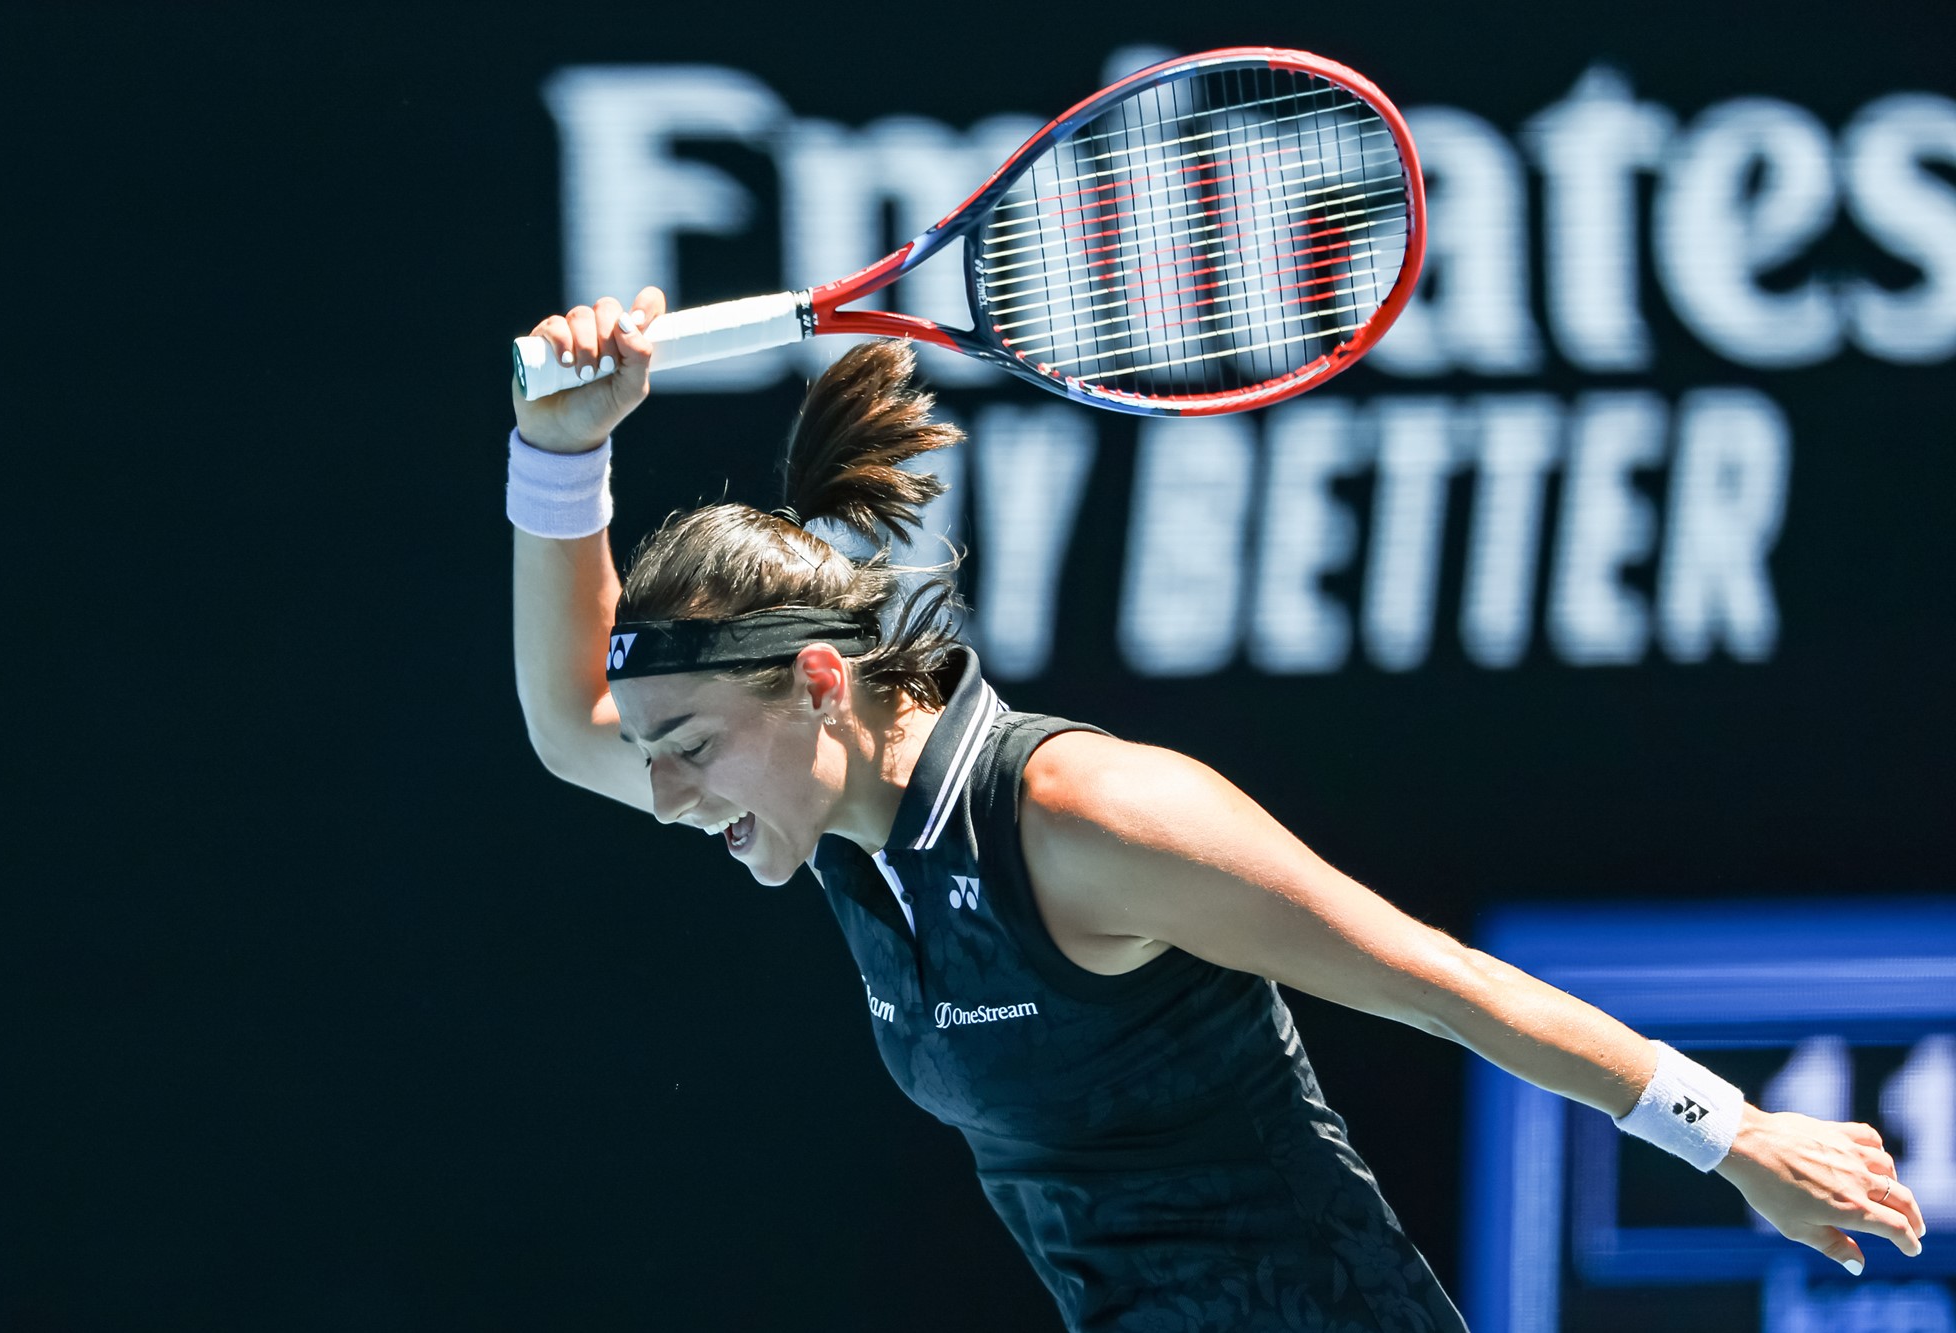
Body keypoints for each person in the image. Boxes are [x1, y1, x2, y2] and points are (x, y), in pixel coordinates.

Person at [505, 289, 1926, 1333]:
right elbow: (576, 730)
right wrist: (559, 456)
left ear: (818, 682)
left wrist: (1732, 1131)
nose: (669, 793)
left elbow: (1441, 982)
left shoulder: (1088, 816)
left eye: (687, 746)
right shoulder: (848, 829)